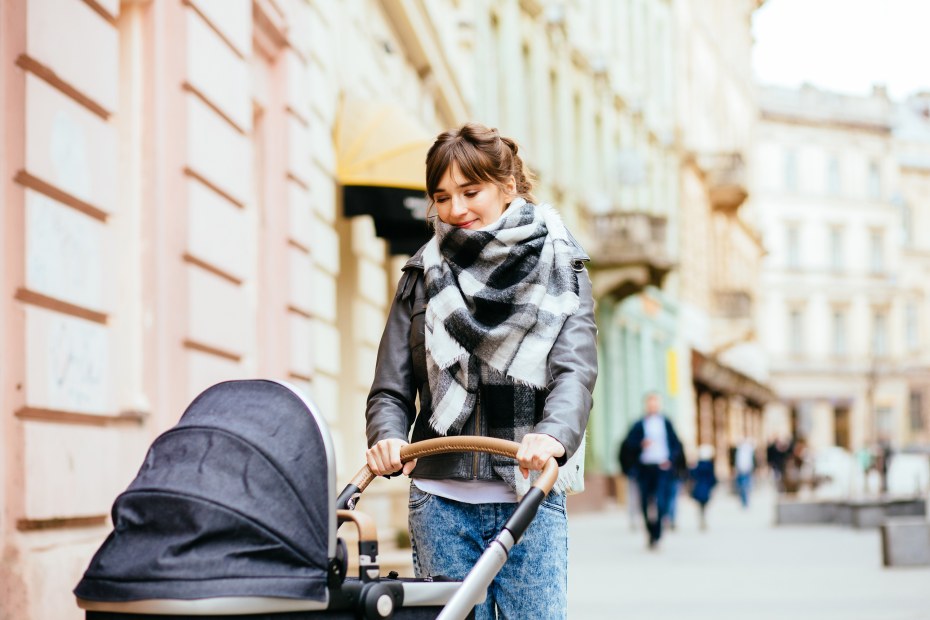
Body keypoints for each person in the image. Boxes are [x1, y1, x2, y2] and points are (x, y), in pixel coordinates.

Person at [364, 122, 598, 620]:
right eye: (442, 197)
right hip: (440, 499)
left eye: (471, 192)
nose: (455, 210)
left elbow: (574, 372)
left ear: (506, 187)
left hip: (530, 495)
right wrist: (386, 435)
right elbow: (390, 388)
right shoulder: (421, 276)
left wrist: (552, 437)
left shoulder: (563, 266)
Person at [619, 392, 683, 549]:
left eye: (656, 403)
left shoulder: (666, 423)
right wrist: (641, 444)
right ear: (646, 405)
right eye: (650, 403)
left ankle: (658, 532)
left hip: (662, 468)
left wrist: (671, 462)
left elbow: (676, 445)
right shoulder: (639, 424)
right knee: (645, 503)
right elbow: (627, 446)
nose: (653, 406)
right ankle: (650, 532)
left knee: (661, 501)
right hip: (644, 468)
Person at [689, 444, 718, 530]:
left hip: (698, 488)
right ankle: (703, 519)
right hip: (706, 488)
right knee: (705, 506)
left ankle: (702, 519)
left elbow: (693, 475)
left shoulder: (697, 465)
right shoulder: (710, 465)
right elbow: (712, 478)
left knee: (700, 506)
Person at [733, 436, 755, 508]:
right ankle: (745, 501)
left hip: (744, 469)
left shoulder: (743, 450)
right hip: (744, 469)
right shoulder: (745, 450)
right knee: (744, 486)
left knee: (744, 486)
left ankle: (745, 501)